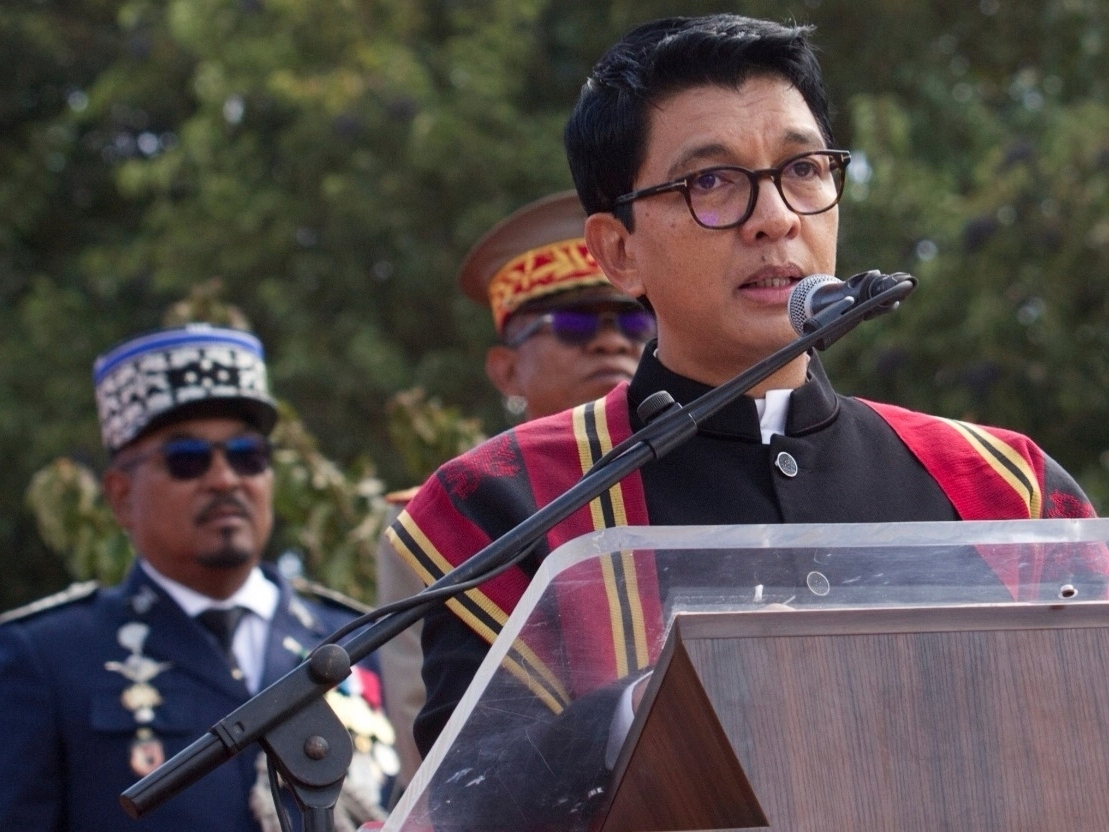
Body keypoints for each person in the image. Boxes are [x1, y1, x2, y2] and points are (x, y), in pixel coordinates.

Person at [385, 13, 1104, 830]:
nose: (776, 218)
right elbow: (475, 802)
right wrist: (661, 706)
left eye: (802, 169)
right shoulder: (504, 500)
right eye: (711, 183)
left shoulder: (1004, 487)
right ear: (617, 251)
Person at [0, 324, 396, 832]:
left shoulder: (362, 641)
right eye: (186, 460)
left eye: (247, 456)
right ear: (121, 495)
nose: (225, 479)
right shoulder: (46, 657)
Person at [373, 190, 655, 795]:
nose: (612, 342)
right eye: (575, 324)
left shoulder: (698, 473)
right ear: (506, 370)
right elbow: (439, 757)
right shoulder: (448, 521)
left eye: (634, 321)